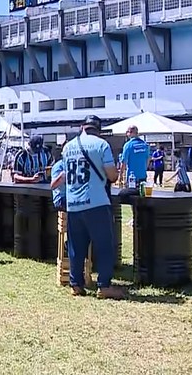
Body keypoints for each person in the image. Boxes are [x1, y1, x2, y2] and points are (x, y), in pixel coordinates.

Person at [50, 115, 123, 299]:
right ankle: (104, 286)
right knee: (104, 245)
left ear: (82, 127)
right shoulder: (102, 145)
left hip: (73, 204)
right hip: (97, 203)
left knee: (76, 247)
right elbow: (112, 176)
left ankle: (76, 284)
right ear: (98, 129)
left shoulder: (68, 147)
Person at [120, 125, 149, 189]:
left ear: (130, 132)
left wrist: (121, 175)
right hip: (143, 176)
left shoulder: (128, 145)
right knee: (142, 196)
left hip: (131, 177)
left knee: (130, 196)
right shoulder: (145, 145)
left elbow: (124, 162)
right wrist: (144, 169)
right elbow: (148, 159)